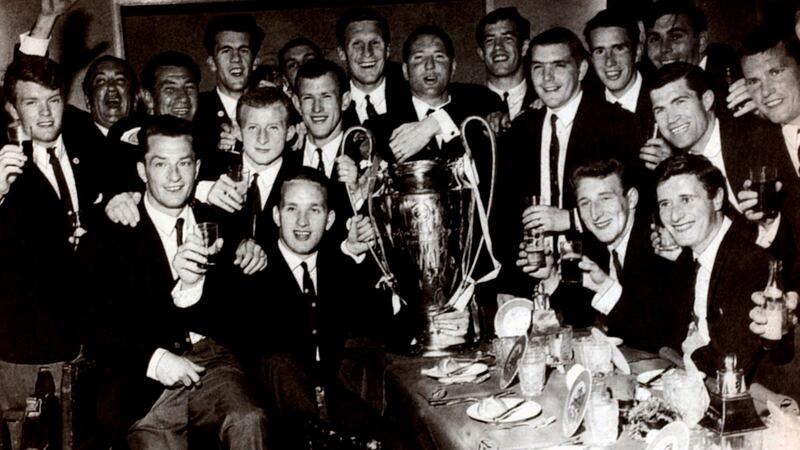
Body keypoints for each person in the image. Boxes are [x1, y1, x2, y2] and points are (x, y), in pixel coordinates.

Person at [85, 115, 268, 449]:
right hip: (143, 377)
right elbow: (96, 329)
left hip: (211, 362)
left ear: (197, 169)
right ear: (142, 171)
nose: (173, 177)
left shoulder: (220, 224)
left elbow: (237, 313)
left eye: (183, 163)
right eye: (160, 164)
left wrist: (206, 281)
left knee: (249, 420)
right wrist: (156, 360)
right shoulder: (113, 232)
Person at [0, 54, 104, 432]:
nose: (45, 113)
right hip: (21, 352)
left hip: (83, 346)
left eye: (53, 100)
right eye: (31, 102)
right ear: (12, 110)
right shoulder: (4, 166)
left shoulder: (87, 150)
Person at [495, 27, 637, 295]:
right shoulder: (520, 130)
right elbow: (504, 215)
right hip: (535, 282)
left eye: (558, 66)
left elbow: (632, 206)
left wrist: (570, 219)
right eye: (538, 67)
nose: (547, 78)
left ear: (582, 70)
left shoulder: (617, 124)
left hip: (596, 280)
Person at [653, 153, 791, 378]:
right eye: (665, 204)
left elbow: (730, 362)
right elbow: (663, 332)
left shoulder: (750, 261)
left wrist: (688, 352)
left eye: (686, 199)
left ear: (717, 198)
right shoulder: (690, 257)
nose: (674, 215)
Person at [642, 62, 791, 260]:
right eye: (660, 110)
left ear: (707, 100)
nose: (671, 119)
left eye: (680, 102)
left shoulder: (758, 136)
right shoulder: (677, 170)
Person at [570, 159, 680, 351]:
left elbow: (657, 339)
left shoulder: (659, 242)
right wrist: (551, 277)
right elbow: (577, 319)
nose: (595, 214)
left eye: (605, 198)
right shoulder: (593, 245)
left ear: (631, 199)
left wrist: (607, 288)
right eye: (585, 203)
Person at [365, 24, 500, 164]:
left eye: (439, 57)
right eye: (419, 57)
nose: (430, 65)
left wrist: (436, 122)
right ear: (405, 71)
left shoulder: (482, 106)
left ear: (453, 68)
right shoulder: (380, 129)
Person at [196, 86, 301, 244]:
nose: (262, 139)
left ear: (290, 132)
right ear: (238, 131)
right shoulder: (212, 173)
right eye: (253, 128)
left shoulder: (302, 179)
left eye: (273, 128)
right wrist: (201, 191)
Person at [643, 0, 753, 116]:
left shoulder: (736, 81)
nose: (664, 48)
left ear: (701, 41)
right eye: (655, 39)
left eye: (675, 37)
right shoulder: (647, 93)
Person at [584, 8, 654, 146]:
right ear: (591, 58)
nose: (609, 61)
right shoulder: (584, 106)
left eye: (619, 49)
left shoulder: (661, 100)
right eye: (600, 51)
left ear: (638, 51)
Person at [196, 15, 264, 154]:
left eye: (243, 50)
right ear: (212, 63)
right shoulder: (197, 111)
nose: (236, 59)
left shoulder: (273, 108)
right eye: (226, 51)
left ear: (255, 62)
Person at [336, 7, 409, 125]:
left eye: (375, 43)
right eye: (357, 44)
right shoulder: (333, 101)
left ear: (388, 50)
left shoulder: (411, 91)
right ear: (342, 53)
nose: (367, 52)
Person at [476, 7, 536, 126]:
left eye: (507, 39)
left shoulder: (545, 100)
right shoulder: (466, 105)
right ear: (481, 53)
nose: (498, 47)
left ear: (524, 47)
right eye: (490, 40)